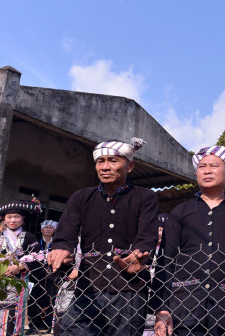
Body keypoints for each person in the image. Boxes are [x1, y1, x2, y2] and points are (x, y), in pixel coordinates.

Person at [154, 146, 225, 336]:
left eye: (213, 166)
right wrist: (162, 308)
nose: (207, 170)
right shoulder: (180, 212)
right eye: (202, 167)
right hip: (186, 307)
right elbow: (166, 260)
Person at [47, 138, 159, 336]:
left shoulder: (145, 197)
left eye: (113, 161)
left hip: (129, 289)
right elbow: (66, 232)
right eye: (101, 161)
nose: (105, 167)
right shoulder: (81, 198)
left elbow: (147, 236)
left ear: (130, 166)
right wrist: (62, 248)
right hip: (88, 286)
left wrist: (138, 256)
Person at [0, 199, 43, 336]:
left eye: (16, 217)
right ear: (3, 219)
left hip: (16, 282)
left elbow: (37, 258)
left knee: (9, 316)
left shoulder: (29, 237)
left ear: (23, 219)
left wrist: (20, 266)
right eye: (9, 217)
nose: (12, 220)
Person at [28, 220, 59, 334]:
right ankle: (33, 326)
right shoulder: (35, 241)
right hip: (35, 274)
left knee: (51, 299)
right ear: (41, 229)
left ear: (54, 230)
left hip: (52, 274)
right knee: (33, 300)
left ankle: (49, 324)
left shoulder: (57, 243)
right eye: (45, 227)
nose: (48, 229)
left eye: (51, 227)